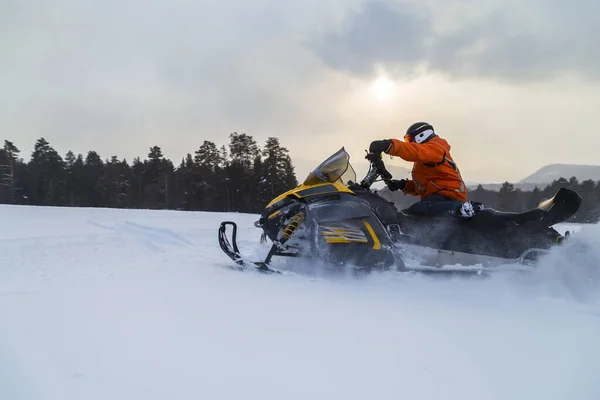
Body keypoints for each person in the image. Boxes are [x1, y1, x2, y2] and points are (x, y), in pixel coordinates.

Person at [369, 122, 478, 218]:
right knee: (405, 215)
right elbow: (423, 186)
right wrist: (403, 185)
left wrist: (388, 145)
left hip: (449, 196)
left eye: (410, 139)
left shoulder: (436, 148)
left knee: (415, 212)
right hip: (437, 198)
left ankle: (462, 209)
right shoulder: (424, 159)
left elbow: (414, 151)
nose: (410, 143)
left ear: (421, 135)